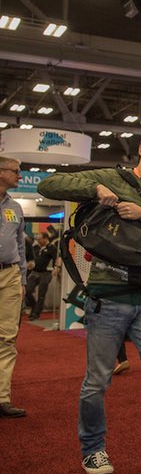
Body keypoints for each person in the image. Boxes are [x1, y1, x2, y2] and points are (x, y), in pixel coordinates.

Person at [37, 128, 141, 474]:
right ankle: (93, 449)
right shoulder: (113, 177)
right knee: (96, 381)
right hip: (107, 297)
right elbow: (48, 186)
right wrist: (94, 189)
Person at [0, 155, 27, 418]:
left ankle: (2, 398)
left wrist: (23, 279)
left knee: (7, 337)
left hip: (10, 275)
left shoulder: (16, 208)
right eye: (16, 171)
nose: (20, 176)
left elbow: (21, 245)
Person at [25, 232, 58, 321]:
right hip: (34, 272)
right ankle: (34, 305)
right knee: (27, 290)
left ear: (45, 238)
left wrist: (56, 268)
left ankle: (36, 313)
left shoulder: (52, 248)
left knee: (41, 294)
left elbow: (56, 259)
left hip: (46, 273)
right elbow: (30, 258)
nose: (38, 241)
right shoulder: (35, 247)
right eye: (37, 239)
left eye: (39, 239)